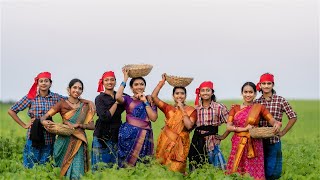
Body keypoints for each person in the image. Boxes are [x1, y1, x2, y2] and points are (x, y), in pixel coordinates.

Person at [221, 82, 282, 179]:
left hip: (254, 144)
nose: (248, 95)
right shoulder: (235, 108)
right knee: (236, 170)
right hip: (238, 142)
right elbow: (229, 126)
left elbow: (271, 120)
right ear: (242, 93)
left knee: (254, 171)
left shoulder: (259, 108)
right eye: (245, 92)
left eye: (250, 92)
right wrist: (244, 129)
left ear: (255, 94)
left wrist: (276, 124)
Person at [7, 72, 66, 168]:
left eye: (46, 81)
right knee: (30, 163)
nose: (43, 83)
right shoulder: (31, 97)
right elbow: (12, 110)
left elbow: (71, 101)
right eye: (41, 81)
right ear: (37, 83)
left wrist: (87, 102)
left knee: (46, 164)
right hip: (33, 134)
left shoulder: (55, 97)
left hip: (49, 136)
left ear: (50, 83)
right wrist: (24, 125)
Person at [40, 78, 95, 179]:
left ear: (82, 91)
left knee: (77, 172)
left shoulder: (85, 106)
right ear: (69, 89)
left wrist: (80, 125)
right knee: (61, 170)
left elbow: (92, 126)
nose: (77, 90)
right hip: (63, 140)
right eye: (74, 87)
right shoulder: (61, 103)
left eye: (80, 88)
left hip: (79, 141)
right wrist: (44, 122)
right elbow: (44, 117)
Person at [255, 73, 297, 180]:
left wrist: (283, 132)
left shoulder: (280, 100)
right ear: (260, 85)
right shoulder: (257, 102)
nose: (266, 86)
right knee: (261, 170)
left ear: (273, 85)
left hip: (274, 140)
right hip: (259, 141)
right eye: (263, 83)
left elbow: (293, 116)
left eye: (269, 83)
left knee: (274, 171)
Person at [151, 74, 197, 173]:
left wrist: (182, 109)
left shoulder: (191, 110)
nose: (179, 96)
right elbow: (154, 97)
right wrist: (162, 82)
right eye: (177, 93)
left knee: (177, 170)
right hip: (165, 142)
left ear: (185, 96)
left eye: (182, 93)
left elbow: (189, 126)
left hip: (181, 144)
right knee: (163, 169)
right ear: (173, 96)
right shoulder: (168, 108)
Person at [115, 68, 158, 167]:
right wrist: (125, 79)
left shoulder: (149, 100)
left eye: (142, 84)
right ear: (131, 88)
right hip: (128, 136)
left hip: (144, 136)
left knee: (142, 164)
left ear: (145, 86)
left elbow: (154, 118)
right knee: (126, 165)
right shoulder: (128, 99)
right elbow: (117, 97)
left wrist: (145, 101)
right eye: (136, 84)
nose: (139, 86)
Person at [188, 81, 229, 171]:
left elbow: (230, 123)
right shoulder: (195, 109)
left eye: (208, 90)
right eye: (203, 90)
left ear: (212, 92)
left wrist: (223, 136)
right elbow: (190, 126)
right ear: (200, 93)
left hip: (213, 142)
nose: (205, 92)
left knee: (218, 168)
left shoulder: (219, 107)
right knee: (198, 168)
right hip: (198, 141)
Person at [91, 71, 125, 170]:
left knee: (114, 166)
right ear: (103, 82)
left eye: (112, 80)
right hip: (101, 136)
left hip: (116, 135)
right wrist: (116, 103)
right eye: (106, 80)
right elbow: (105, 117)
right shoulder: (100, 98)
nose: (109, 82)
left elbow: (131, 100)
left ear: (115, 82)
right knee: (100, 166)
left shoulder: (120, 96)